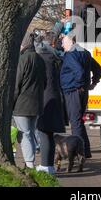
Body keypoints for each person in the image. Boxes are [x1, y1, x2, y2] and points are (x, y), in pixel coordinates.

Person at [60, 34, 101, 158]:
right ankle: (85, 151)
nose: (62, 45)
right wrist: (92, 83)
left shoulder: (70, 54)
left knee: (75, 122)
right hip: (82, 91)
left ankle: (78, 152)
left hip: (74, 90)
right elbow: (98, 70)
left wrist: (79, 85)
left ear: (70, 42)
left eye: (63, 42)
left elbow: (78, 71)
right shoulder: (85, 52)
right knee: (78, 121)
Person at [13, 32, 47, 169]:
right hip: (37, 103)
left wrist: (11, 102)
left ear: (24, 44)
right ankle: (30, 161)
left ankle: (29, 164)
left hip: (22, 104)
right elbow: (45, 83)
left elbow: (16, 85)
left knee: (25, 134)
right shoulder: (40, 59)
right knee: (31, 133)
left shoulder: (23, 59)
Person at [34, 32, 66, 175]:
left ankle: (46, 166)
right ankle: (49, 166)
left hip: (45, 98)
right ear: (53, 43)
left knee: (43, 132)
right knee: (49, 133)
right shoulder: (57, 58)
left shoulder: (41, 58)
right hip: (56, 97)